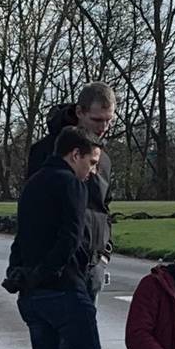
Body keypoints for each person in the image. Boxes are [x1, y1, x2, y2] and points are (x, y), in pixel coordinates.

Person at [5, 127, 123, 349]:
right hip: (64, 288)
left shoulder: (33, 183)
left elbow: (20, 239)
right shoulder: (71, 183)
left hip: (32, 293)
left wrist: (23, 276)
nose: (93, 171)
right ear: (75, 155)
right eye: (92, 162)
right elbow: (72, 238)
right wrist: (51, 272)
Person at [27, 84, 117, 290]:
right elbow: (32, 208)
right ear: (79, 112)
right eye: (97, 120)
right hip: (57, 267)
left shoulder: (103, 159)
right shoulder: (47, 151)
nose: (103, 127)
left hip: (93, 264)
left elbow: (103, 207)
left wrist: (104, 254)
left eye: (109, 120)